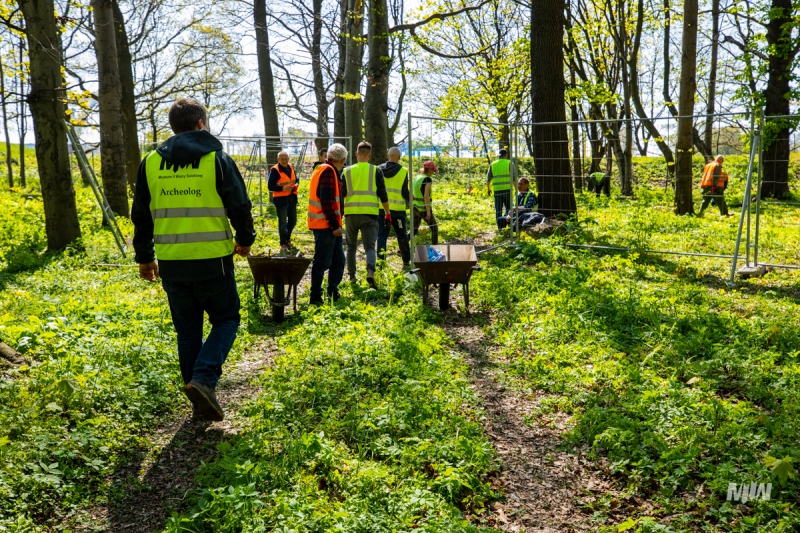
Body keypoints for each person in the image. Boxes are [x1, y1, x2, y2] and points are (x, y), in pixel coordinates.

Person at [131, 97, 255, 422]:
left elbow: (141, 215)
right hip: (213, 261)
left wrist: (145, 258)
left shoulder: (150, 163)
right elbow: (240, 205)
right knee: (227, 319)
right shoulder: (217, 160)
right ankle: (203, 379)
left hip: (171, 263)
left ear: (173, 127)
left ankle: (199, 402)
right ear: (201, 124)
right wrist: (245, 240)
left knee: (187, 334)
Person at [343, 141, 391, 289]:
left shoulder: (346, 171)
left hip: (350, 214)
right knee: (370, 247)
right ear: (369, 155)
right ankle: (370, 272)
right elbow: (382, 194)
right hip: (369, 214)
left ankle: (352, 277)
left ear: (356, 154)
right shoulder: (376, 171)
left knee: (351, 247)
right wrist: (387, 213)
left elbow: (340, 194)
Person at [308, 143, 348, 304]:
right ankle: (315, 296)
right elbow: (326, 201)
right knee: (322, 262)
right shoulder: (329, 172)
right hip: (326, 226)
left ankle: (332, 292)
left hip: (326, 224)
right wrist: (334, 226)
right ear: (343, 160)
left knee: (338, 260)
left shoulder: (322, 169)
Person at [377, 147, 411, 266]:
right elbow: (404, 191)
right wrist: (411, 197)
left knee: (382, 236)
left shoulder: (378, 169)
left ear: (388, 156)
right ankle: (406, 260)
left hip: (382, 209)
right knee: (402, 235)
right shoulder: (403, 171)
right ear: (399, 157)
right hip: (398, 211)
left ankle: (381, 262)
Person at [268, 151, 298, 250]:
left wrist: (296, 185)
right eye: (282, 159)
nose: (284, 161)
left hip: (291, 197)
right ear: (278, 159)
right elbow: (270, 186)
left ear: (288, 159)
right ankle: (283, 242)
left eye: (286, 159)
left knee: (293, 220)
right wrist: (283, 188)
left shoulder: (290, 167)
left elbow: (296, 179)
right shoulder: (275, 170)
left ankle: (287, 239)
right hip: (281, 199)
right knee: (283, 222)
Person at [487, 149, 515, 230]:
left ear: (499, 155)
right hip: (507, 189)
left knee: (498, 209)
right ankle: (508, 224)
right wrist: (517, 189)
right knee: (509, 208)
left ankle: (500, 227)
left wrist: (488, 189)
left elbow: (488, 179)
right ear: (506, 155)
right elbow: (513, 178)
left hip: (497, 190)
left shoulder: (493, 164)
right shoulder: (510, 163)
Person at [412, 161, 439, 245]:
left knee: (414, 230)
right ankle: (435, 248)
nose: (433, 172)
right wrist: (428, 212)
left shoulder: (417, 177)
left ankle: (402, 248)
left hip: (415, 208)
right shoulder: (427, 179)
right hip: (423, 209)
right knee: (434, 228)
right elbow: (426, 196)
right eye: (433, 170)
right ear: (429, 169)